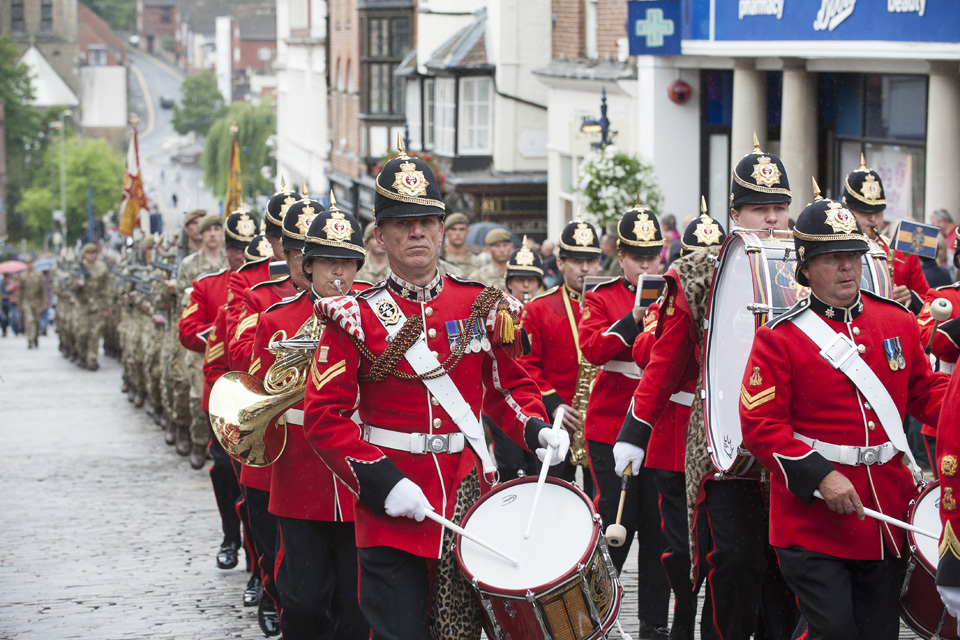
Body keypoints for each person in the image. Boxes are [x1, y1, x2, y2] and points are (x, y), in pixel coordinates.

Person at [302, 146, 564, 640]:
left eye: (426, 220)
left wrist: (536, 427)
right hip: (391, 506)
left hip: (468, 503)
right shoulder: (352, 315)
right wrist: (382, 482)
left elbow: (508, 389)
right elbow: (326, 420)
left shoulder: (484, 305)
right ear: (379, 236)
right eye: (402, 223)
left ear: (442, 228)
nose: (416, 232)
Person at [740, 194, 948, 640]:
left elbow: (925, 393)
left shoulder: (897, 322)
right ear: (807, 267)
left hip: (884, 512)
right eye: (834, 259)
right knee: (833, 630)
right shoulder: (778, 339)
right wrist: (820, 477)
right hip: (812, 520)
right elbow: (761, 428)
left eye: (853, 256)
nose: (848, 268)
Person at [617, 137, 797, 640]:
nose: (771, 221)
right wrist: (635, 428)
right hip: (722, 443)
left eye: (779, 209)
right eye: (759, 209)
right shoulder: (698, 273)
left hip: (791, 440)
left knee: (786, 567)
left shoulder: (808, 267)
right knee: (735, 560)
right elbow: (666, 360)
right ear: (735, 213)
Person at [256, 200, 370, 640]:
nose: (338, 273)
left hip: (359, 476)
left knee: (356, 605)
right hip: (300, 476)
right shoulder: (277, 321)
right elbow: (261, 397)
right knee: (301, 602)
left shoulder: (376, 315)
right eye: (328, 263)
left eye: (346, 263)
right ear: (308, 266)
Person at [578, 204, 671, 638]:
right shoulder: (601, 296)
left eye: (653, 254)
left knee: (658, 532)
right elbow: (593, 349)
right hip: (612, 426)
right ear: (622, 258)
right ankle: (596, 616)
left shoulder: (674, 294)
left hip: (659, 428)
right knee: (617, 522)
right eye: (638, 256)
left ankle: (653, 623)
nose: (648, 264)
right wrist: (631, 321)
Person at [519, 215, 602, 493]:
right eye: (577, 261)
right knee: (553, 496)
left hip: (601, 420)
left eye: (591, 260)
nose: (586, 268)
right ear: (560, 263)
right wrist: (553, 403)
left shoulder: (612, 303)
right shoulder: (539, 308)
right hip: (557, 419)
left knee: (602, 503)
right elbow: (526, 364)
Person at [841, 154, 928, 314]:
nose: (873, 219)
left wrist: (911, 297)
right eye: (864, 212)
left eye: (878, 212)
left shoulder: (903, 250)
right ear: (847, 210)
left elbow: (928, 300)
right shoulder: (832, 250)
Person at [177, 214, 229, 461]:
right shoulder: (189, 264)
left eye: (217, 229)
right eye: (208, 229)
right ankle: (199, 441)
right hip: (201, 340)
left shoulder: (232, 263)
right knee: (198, 395)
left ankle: (219, 443)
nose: (212, 234)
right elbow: (183, 301)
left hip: (228, 342)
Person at [73, 243, 109, 370]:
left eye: (93, 253)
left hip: (97, 306)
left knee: (95, 334)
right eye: (88, 253)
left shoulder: (101, 268)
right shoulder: (78, 268)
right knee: (82, 332)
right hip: (83, 305)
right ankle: (82, 356)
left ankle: (91, 359)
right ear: (84, 254)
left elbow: (107, 287)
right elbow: (68, 285)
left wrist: (108, 306)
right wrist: (76, 284)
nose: (91, 255)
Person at [19, 257, 47, 349]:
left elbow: (43, 290)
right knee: (29, 320)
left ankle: (35, 337)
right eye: (27, 263)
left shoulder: (39, 275)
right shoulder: (23, 276)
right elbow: (20, 291)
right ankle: (30, 339)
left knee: (37, 321)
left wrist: (44, 302)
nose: (29, 265)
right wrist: (20, 303)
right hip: (27, 301)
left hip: (37, 301)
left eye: (30, 263)